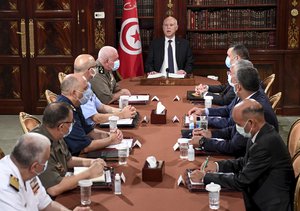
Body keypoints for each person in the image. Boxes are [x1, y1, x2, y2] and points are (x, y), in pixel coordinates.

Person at [190, 99, 295, 211]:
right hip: (257, 191)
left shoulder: (266, 143)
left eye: (238, 124)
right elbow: (244, 162)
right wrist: (217, 165)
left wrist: (206, 177)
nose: (236, 128)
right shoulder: (260, 132)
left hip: (268, 204)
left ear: (251, 123)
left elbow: (241, 181)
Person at [189, 60, 278, 157]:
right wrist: (211, 133)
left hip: (247, 157)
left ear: (239, 86)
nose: (230, 79)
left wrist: (203, 142)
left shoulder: (255, 107)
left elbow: (233, 147)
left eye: (232, 76)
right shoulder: (248, 93)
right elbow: (233, 124)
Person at [31, 102, 106, 197]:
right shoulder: (39, 147)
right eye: (71, 122)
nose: (72, 125)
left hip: (63, 180)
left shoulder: (55, 132)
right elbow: (54, 189)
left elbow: (68, 160)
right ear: (61, 126)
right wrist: (89, 173)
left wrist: (91, 162)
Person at [0, 133, 91, 211]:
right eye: (46, 161)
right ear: (35, 166)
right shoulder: (5, 188)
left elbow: (46, 204)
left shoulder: (27, 171)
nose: (47, 164)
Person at [56, 74, 123, 156]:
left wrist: (110, 135)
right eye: (85, 88)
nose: (89, 91)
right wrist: (111, 140)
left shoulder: (75, 104)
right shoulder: (64, 111)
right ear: (74, 93)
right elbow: (85, 147)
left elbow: (89, 132)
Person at [74, 54, 137, 126]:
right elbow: (96, 118)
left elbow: (101, 107)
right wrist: (121, 115)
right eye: (95, 67)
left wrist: (123, 111)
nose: (97, 69)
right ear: (91, 70)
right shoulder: (79, 89)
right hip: (90, 130)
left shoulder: (87, 85)